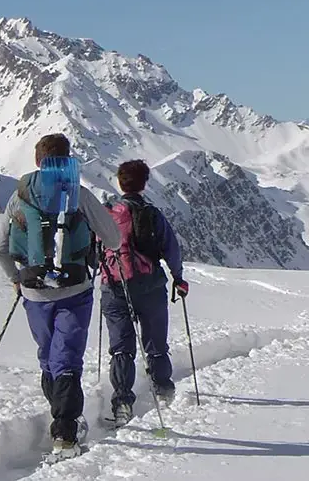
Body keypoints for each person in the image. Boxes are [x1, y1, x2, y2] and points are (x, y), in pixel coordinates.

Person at [0, 134, 122, 462]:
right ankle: (65, 433)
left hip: (34, 291)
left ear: (38, 161)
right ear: (66, 161)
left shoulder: (20, 195)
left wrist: (16, 279)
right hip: (75, 288)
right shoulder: (79, 194)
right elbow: (113, 237)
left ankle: (62, 418)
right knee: (66, 358)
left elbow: (0, 247)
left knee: (49, 356)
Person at [100, 159, 188, 426]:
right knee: (156, 344)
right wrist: (178, 278)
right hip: (150, 287)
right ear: (144, 183)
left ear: (119, 181)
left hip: (115, 288)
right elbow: (171, 249)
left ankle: (123, 403)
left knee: (121, 348)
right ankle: (164, 391)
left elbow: (94, 250)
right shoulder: (152, 214)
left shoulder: (106, 214)